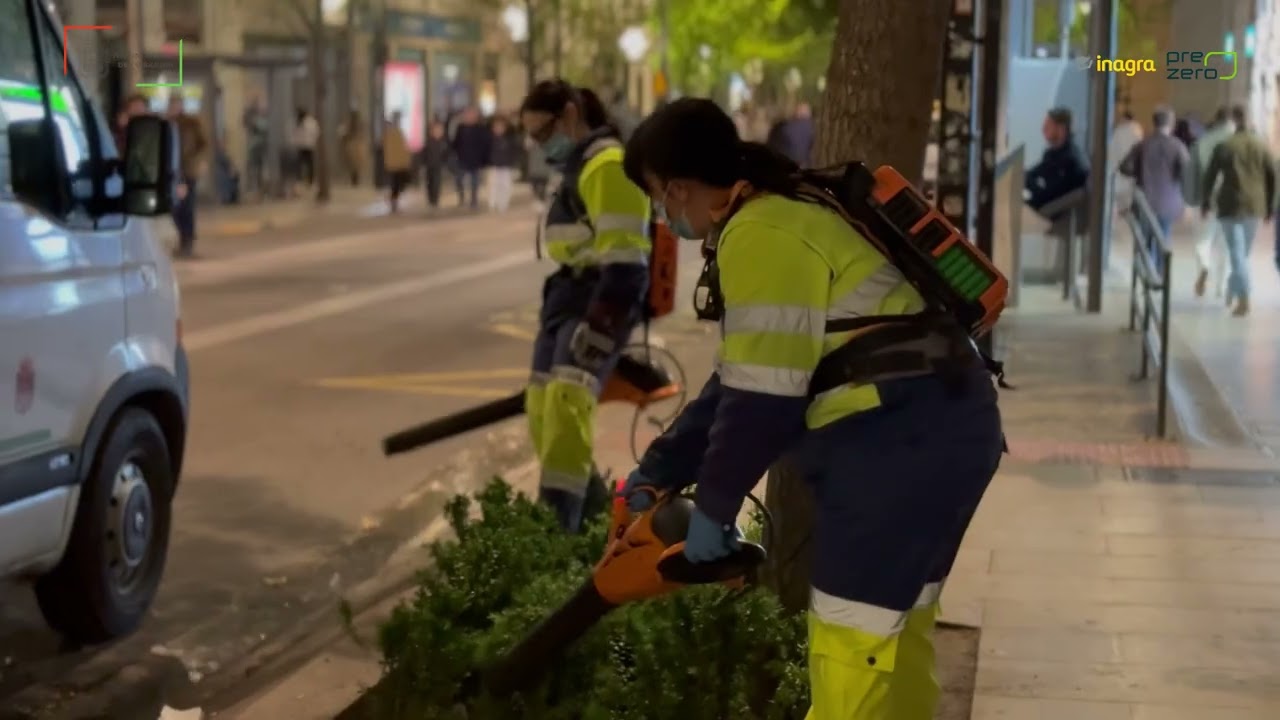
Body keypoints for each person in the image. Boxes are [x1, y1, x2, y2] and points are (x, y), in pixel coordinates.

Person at [618, 98, 1003, 720]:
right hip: (947, 432)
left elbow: (763, 401)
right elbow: (738, 382)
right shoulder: (792, 208)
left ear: (678, 186)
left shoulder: (759, 232)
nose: (664, 216)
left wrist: (714, 513)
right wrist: (663, 467)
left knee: (849, 647)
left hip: (895, 449)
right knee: (895, 637)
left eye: (659, 199)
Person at [519, 80, 652, 531]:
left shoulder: (607, 166)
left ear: (571, 116)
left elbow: (627, 264)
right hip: (564, 299)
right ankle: (595, 521)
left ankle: (560, 531)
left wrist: (600, 326)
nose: (540, 146)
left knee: (567, 408)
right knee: (542, 410)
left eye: (543, 134)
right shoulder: (577, 168)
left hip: (597, 300)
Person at [1203, 105, 1276, 317]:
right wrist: (1270, 207)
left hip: (1230, 204)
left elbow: (1210, 175)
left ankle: (1243, 298)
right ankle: (1232, 289)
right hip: (1255, 206)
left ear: (1234, 120)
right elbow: (1272, 177)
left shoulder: (1225, 145)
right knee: (1242, 253)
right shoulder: (1262, 146)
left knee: (1237, 253)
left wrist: (1206, 202)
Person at [1119, 107, 1188, 267]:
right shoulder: (1177, 146)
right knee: (1162, 238)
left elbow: (1124, 167)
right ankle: (1159, 276)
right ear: (1171, 124)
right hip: (1167, 202)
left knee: (1144, 240)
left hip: (1144, 200)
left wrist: (1138, 171)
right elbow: (1187, 173)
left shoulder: (1142, 145)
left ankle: (1146, 271)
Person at [1187, 107, 1235, 297]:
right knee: (1226, 245)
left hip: (1205, 198)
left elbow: (1193, 173)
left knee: (1202, 240)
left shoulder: (1203, 141)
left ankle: (1204, 267)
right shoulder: (1239, 141)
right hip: (1232, 200)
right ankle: (1222, 287)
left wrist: (1192, 200)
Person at [1025, 107, 1089, 213]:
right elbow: (1037, 171)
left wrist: (1025, 181)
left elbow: (1045, 197)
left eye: (1048, 125)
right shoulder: (1054, 153)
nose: (1043, 129)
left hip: (1052, 218)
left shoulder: (1069, 161)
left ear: (1061, 129)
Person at [168, 95, 208, 259]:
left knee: (187, 206)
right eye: (172, 105)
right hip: (173, 171)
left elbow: (203, 144)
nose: (174, 107)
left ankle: (188, 240)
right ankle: (183, 237)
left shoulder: (191, 123)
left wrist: (198, 161)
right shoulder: (168, 124)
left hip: (188, 171)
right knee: (175, 207)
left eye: (177, 104)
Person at [451, 106, 490, 209]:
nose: (468, 117)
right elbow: (456, 142)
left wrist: (484, 159)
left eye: (471, 115)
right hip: (462, 158)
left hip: (475, 160)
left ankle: (474, 200)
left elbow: (485, 144)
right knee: (458, 180)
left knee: (474, 182)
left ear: (476, 117)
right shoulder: (460, 128)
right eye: (467, 115)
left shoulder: (481, 129)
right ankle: (461, 198)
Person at [487, 115, 520, 212]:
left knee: (505, 185)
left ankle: (503, 203)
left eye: (500, 127)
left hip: (506, 166)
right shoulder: (490, 139)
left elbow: (514, 152)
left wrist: (513, 163)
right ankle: (493, 203)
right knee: (493, 185)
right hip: (494, 166)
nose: (498, 129)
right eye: (496, 127)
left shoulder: (509, 140)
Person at [382, 112, 412, 214]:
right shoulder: (391, 132)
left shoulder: (398, 131)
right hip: (396, 164)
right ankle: (393, 201)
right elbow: (391, 150)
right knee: (396, 183)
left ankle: (393, 200)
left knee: (398, 183)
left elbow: (403, 148)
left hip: (399, 163)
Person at [243, 94, 269, 197]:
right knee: (253, 168)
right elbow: (246, 123)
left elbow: (263, 128)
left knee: (260, 169)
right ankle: (255, 189)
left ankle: (261, 190)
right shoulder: (252, 117)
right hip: (254, 146)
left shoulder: (263, 118)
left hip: (260, 146)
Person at [421, 120, 449, 210]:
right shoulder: (428, 142)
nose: (438, 132)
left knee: (437, 182)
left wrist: (445, 161)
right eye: (436, 130)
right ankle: (431, 198)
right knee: (430, 183)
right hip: (429, 165)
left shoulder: (443, 142)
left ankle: (435, 199)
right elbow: (424, 154)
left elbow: (446, 154)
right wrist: (423, 162)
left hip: (438, 165)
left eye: (440, 130)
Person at [293, 107, 320, 188]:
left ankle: (307, 181)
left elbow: (316, 133)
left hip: (306, 146)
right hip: (303, 146)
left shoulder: (310, 122)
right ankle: (301, 181)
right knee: (303, 164)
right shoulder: (297, 121)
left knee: (307, 164)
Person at [340, 109, 366, 186]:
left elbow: (345, 135)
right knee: (355, 164)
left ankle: (354, 179)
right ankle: (355, 179)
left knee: (354, 164)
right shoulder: (355, 125)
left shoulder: (353, 125)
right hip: (357, 145)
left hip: (353, 145)